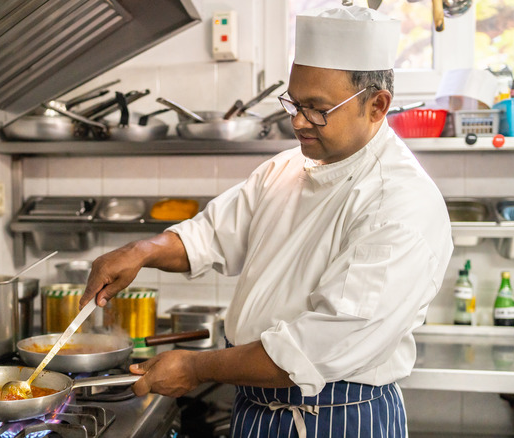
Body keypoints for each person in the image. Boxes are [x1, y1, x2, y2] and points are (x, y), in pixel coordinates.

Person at [80, 5, 453, 437]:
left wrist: (196, 366)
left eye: (316, 109)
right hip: (256, 408)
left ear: (376, 106)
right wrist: (141, 251)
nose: (297, 121)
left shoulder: (400, 203)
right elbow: (210, 236)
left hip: (339, 418)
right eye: (294, 102)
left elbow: (310, 350)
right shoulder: (287, 169)